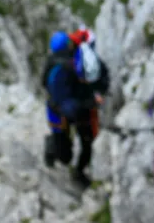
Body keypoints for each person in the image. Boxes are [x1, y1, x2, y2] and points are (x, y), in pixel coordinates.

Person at [42, 27, 110, 188]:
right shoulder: (62, 70)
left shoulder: (78, 59)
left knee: (88, 143)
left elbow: (101, 73)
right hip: (64, 109)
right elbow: (68, 106)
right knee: (65, 155)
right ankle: (52, 146)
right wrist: (91, 102)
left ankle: (79, 172)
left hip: (73, 107)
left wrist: (97, 91)